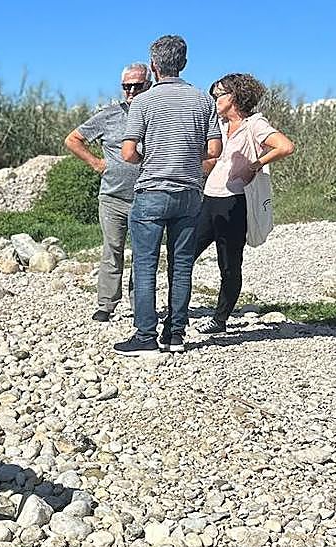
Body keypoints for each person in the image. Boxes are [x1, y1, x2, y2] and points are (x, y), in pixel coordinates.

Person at [115, 35, 222, 356]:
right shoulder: (204, 100)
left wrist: (151, 160)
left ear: (153, 66)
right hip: (189, 192)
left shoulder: (143, 103)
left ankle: (145, 335)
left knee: (146, 266)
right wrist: (190, 166)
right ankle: (175, 334)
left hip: (151, 191)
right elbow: (215, 151)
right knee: (182, 265)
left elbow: (128, 151)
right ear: (184, 64)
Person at [194, 73, 295, 335]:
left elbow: (285, 146)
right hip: (209, 198)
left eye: (218, 94)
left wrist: (256, 164)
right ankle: (177, 312)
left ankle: (219, 319)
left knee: (229, 264)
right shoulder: (217, 125)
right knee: (183, 254)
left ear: (235, 96)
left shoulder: (254, 124)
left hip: (235, 202)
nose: (214, 98)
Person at [65, 62, 151, 322]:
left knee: (143, 255)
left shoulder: (156, 114)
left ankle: (141, 307)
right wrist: (97, 164)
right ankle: (106, 304)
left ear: (149, 85)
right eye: (127, 86)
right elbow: (73, 139)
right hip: (113, 196)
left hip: (146, 196)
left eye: (138, 85)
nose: (132, 91)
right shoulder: (109, 114)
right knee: (112, 250)